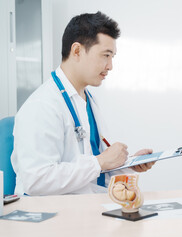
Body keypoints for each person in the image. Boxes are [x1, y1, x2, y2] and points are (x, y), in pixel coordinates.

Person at [11, 12, 154, 196]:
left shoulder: (87, 99)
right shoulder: (42, 106)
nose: (110, 66)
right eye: (106, 55)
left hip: (87, 207)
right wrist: (100, 162)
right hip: (51, 216)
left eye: (112, 57)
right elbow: (37, 180)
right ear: (77, 51)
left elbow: (95, 166)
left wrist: (129, 164)